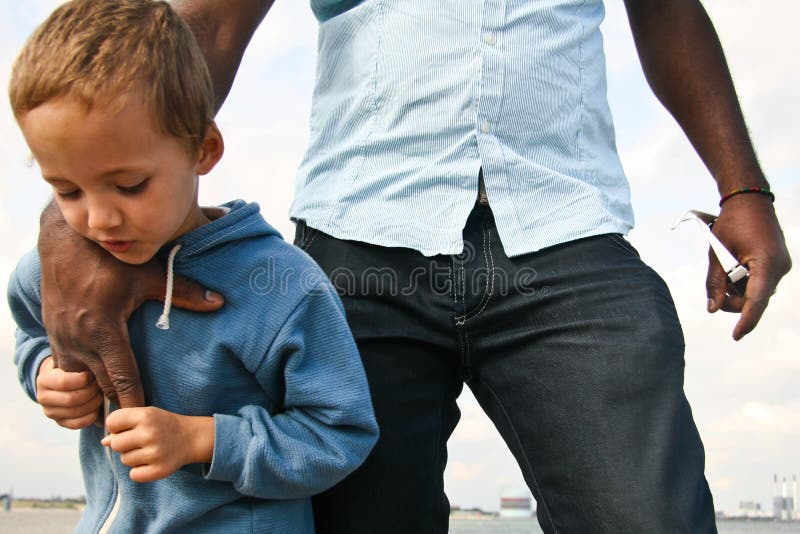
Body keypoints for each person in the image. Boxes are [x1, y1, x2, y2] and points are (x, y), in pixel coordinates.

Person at [32, 0, 791, 533]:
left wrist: (743, 184)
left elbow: (665, 8)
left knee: (647, 518)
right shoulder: (288, 297)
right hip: (358, 234)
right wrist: (77, 217)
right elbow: (212, 20)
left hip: (568, 228)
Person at [7, 1, 378, 532]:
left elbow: (339, 434)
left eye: (130, 185)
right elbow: (31, 330)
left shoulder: (282, 284)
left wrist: (201, 439)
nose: (98, 218)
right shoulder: (61, 272)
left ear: (204, 148)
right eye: (66, 190)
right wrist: (44, 371)